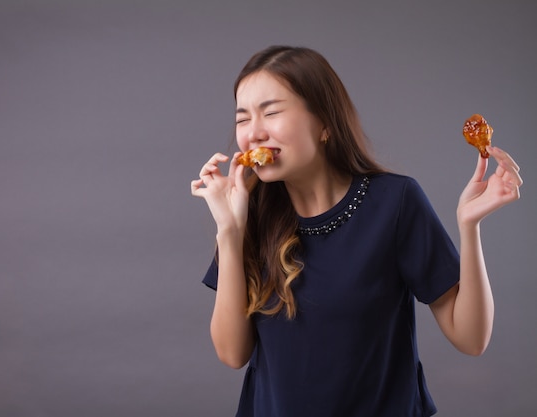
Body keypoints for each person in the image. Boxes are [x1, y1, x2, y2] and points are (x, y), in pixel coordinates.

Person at [190, 45, 522, 417]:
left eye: (271, 112)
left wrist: (468, 225)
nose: (253, 133)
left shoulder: (395, 202)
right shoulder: (248, 212)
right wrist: (230, 232)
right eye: (242, 118)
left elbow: (472, 338)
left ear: (325, 124)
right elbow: (232, 353)